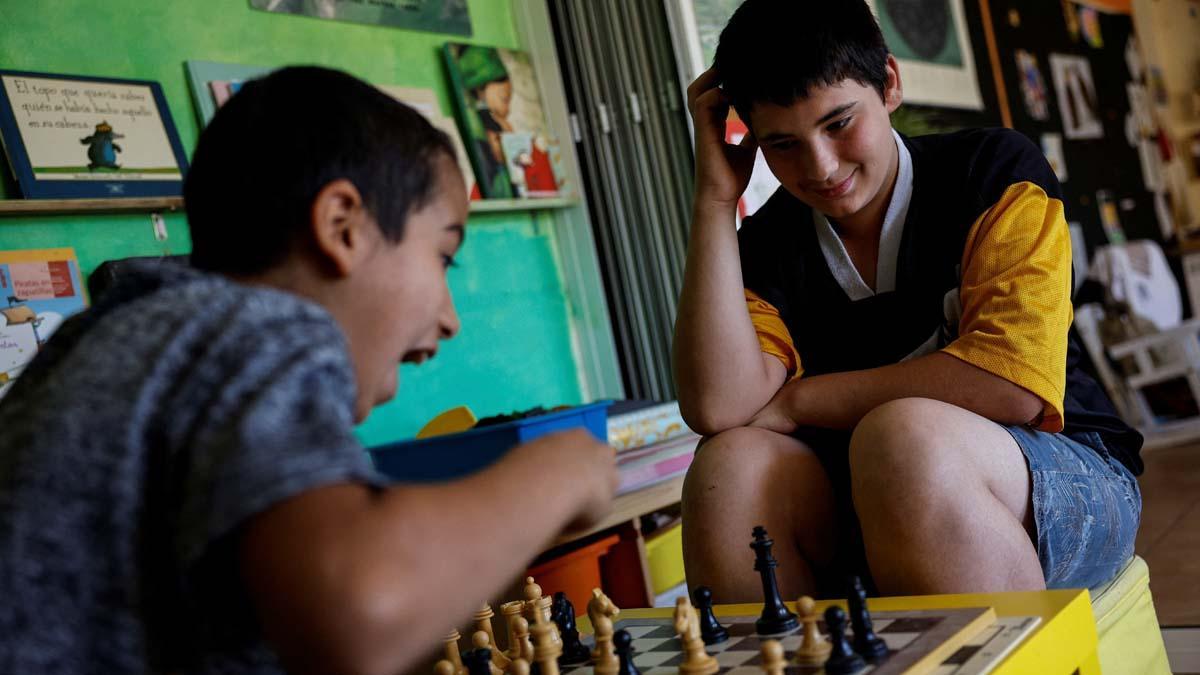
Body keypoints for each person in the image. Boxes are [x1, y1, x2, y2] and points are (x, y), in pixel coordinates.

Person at [0, 66, 618, 675]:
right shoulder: (254, 326)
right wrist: (556, 473)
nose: (451, 320)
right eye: (444, 257)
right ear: (341, 226)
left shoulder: (115, 337)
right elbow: (360, 612)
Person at [673, 0, 1142, 601]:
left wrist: (802, 399)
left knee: (902, 438)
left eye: (839, 123)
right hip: (874, 502)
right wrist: (714, 202)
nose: (820, 166)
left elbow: (1012, 383)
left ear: (889, 82)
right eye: (782, 144)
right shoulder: (763, 246)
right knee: (726, 469)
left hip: (1064, 473)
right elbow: (718, 408)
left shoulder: (993, 170)